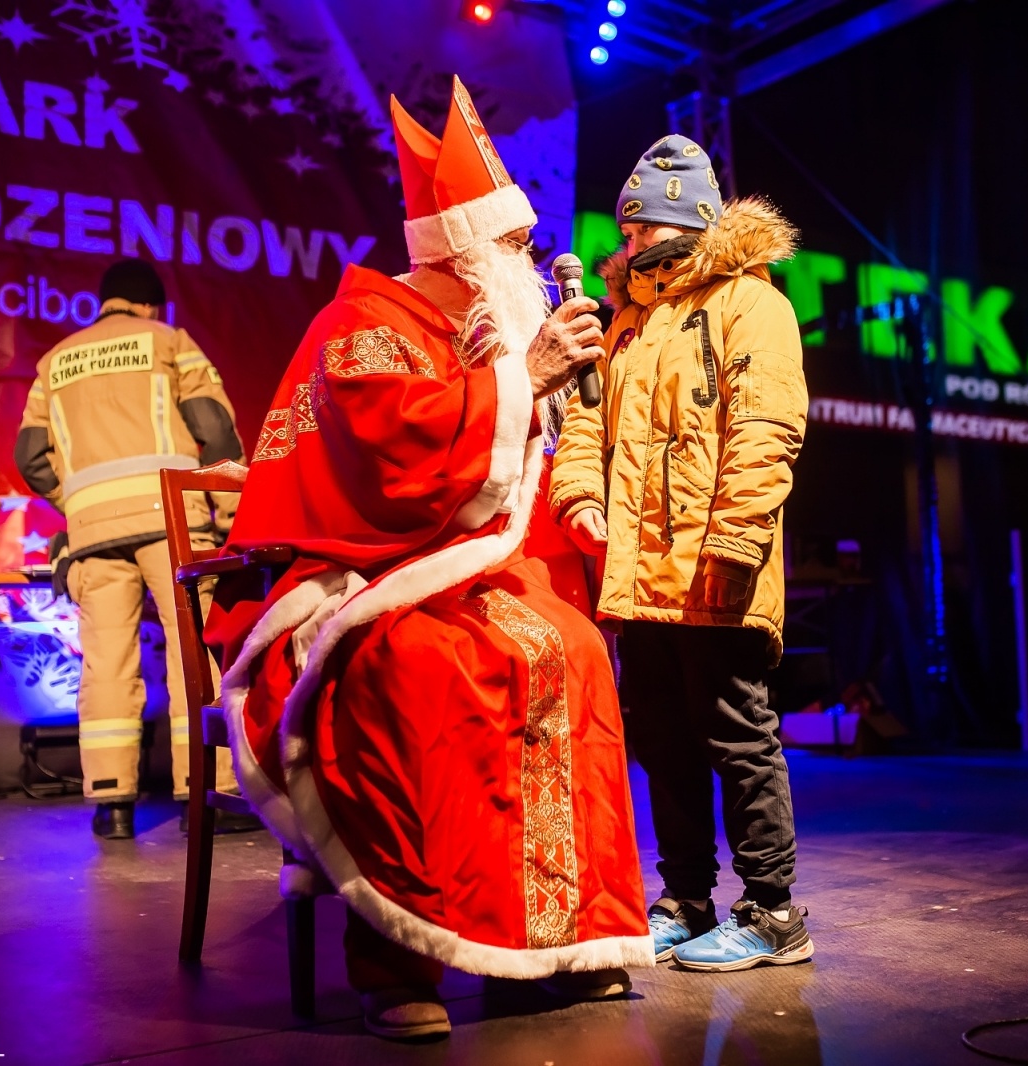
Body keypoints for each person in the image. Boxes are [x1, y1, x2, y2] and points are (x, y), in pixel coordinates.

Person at [207, 76, 652, 1042]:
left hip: (470, 573)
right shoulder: (365, 323)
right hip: (361, 571)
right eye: (514, 245)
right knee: (409, 672)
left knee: (568, 651)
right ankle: (396, 960)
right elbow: (395, 464)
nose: (531, 262)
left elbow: (503, 477)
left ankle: (549, 946)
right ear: (465, 248)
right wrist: (521, 380)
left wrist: (549, 404)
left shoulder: (488, 326)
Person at [549, 135, 812, 972]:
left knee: (738, 735)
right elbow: (587, 426)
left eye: (636, 230)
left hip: (715, 569)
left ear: (677, 225)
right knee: (663, 739)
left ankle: (774, 913)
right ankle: (687, 900)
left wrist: (735, 540)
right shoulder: (626, 319)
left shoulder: (751, 305)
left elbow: (765, 430)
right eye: (623, 233)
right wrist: (580, 498)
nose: (623, 244)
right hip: (640, 576)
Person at [16, 258, 247, 841]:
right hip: (170, 520)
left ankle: (112, 806)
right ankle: (206, 793)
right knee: (192, 653)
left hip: (92, 533)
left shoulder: (54, 362)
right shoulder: (168, 341)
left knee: (106, 664)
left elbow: (29, 456)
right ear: (150, 306)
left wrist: (77, 499)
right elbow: (214, 428)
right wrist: (225, 511)